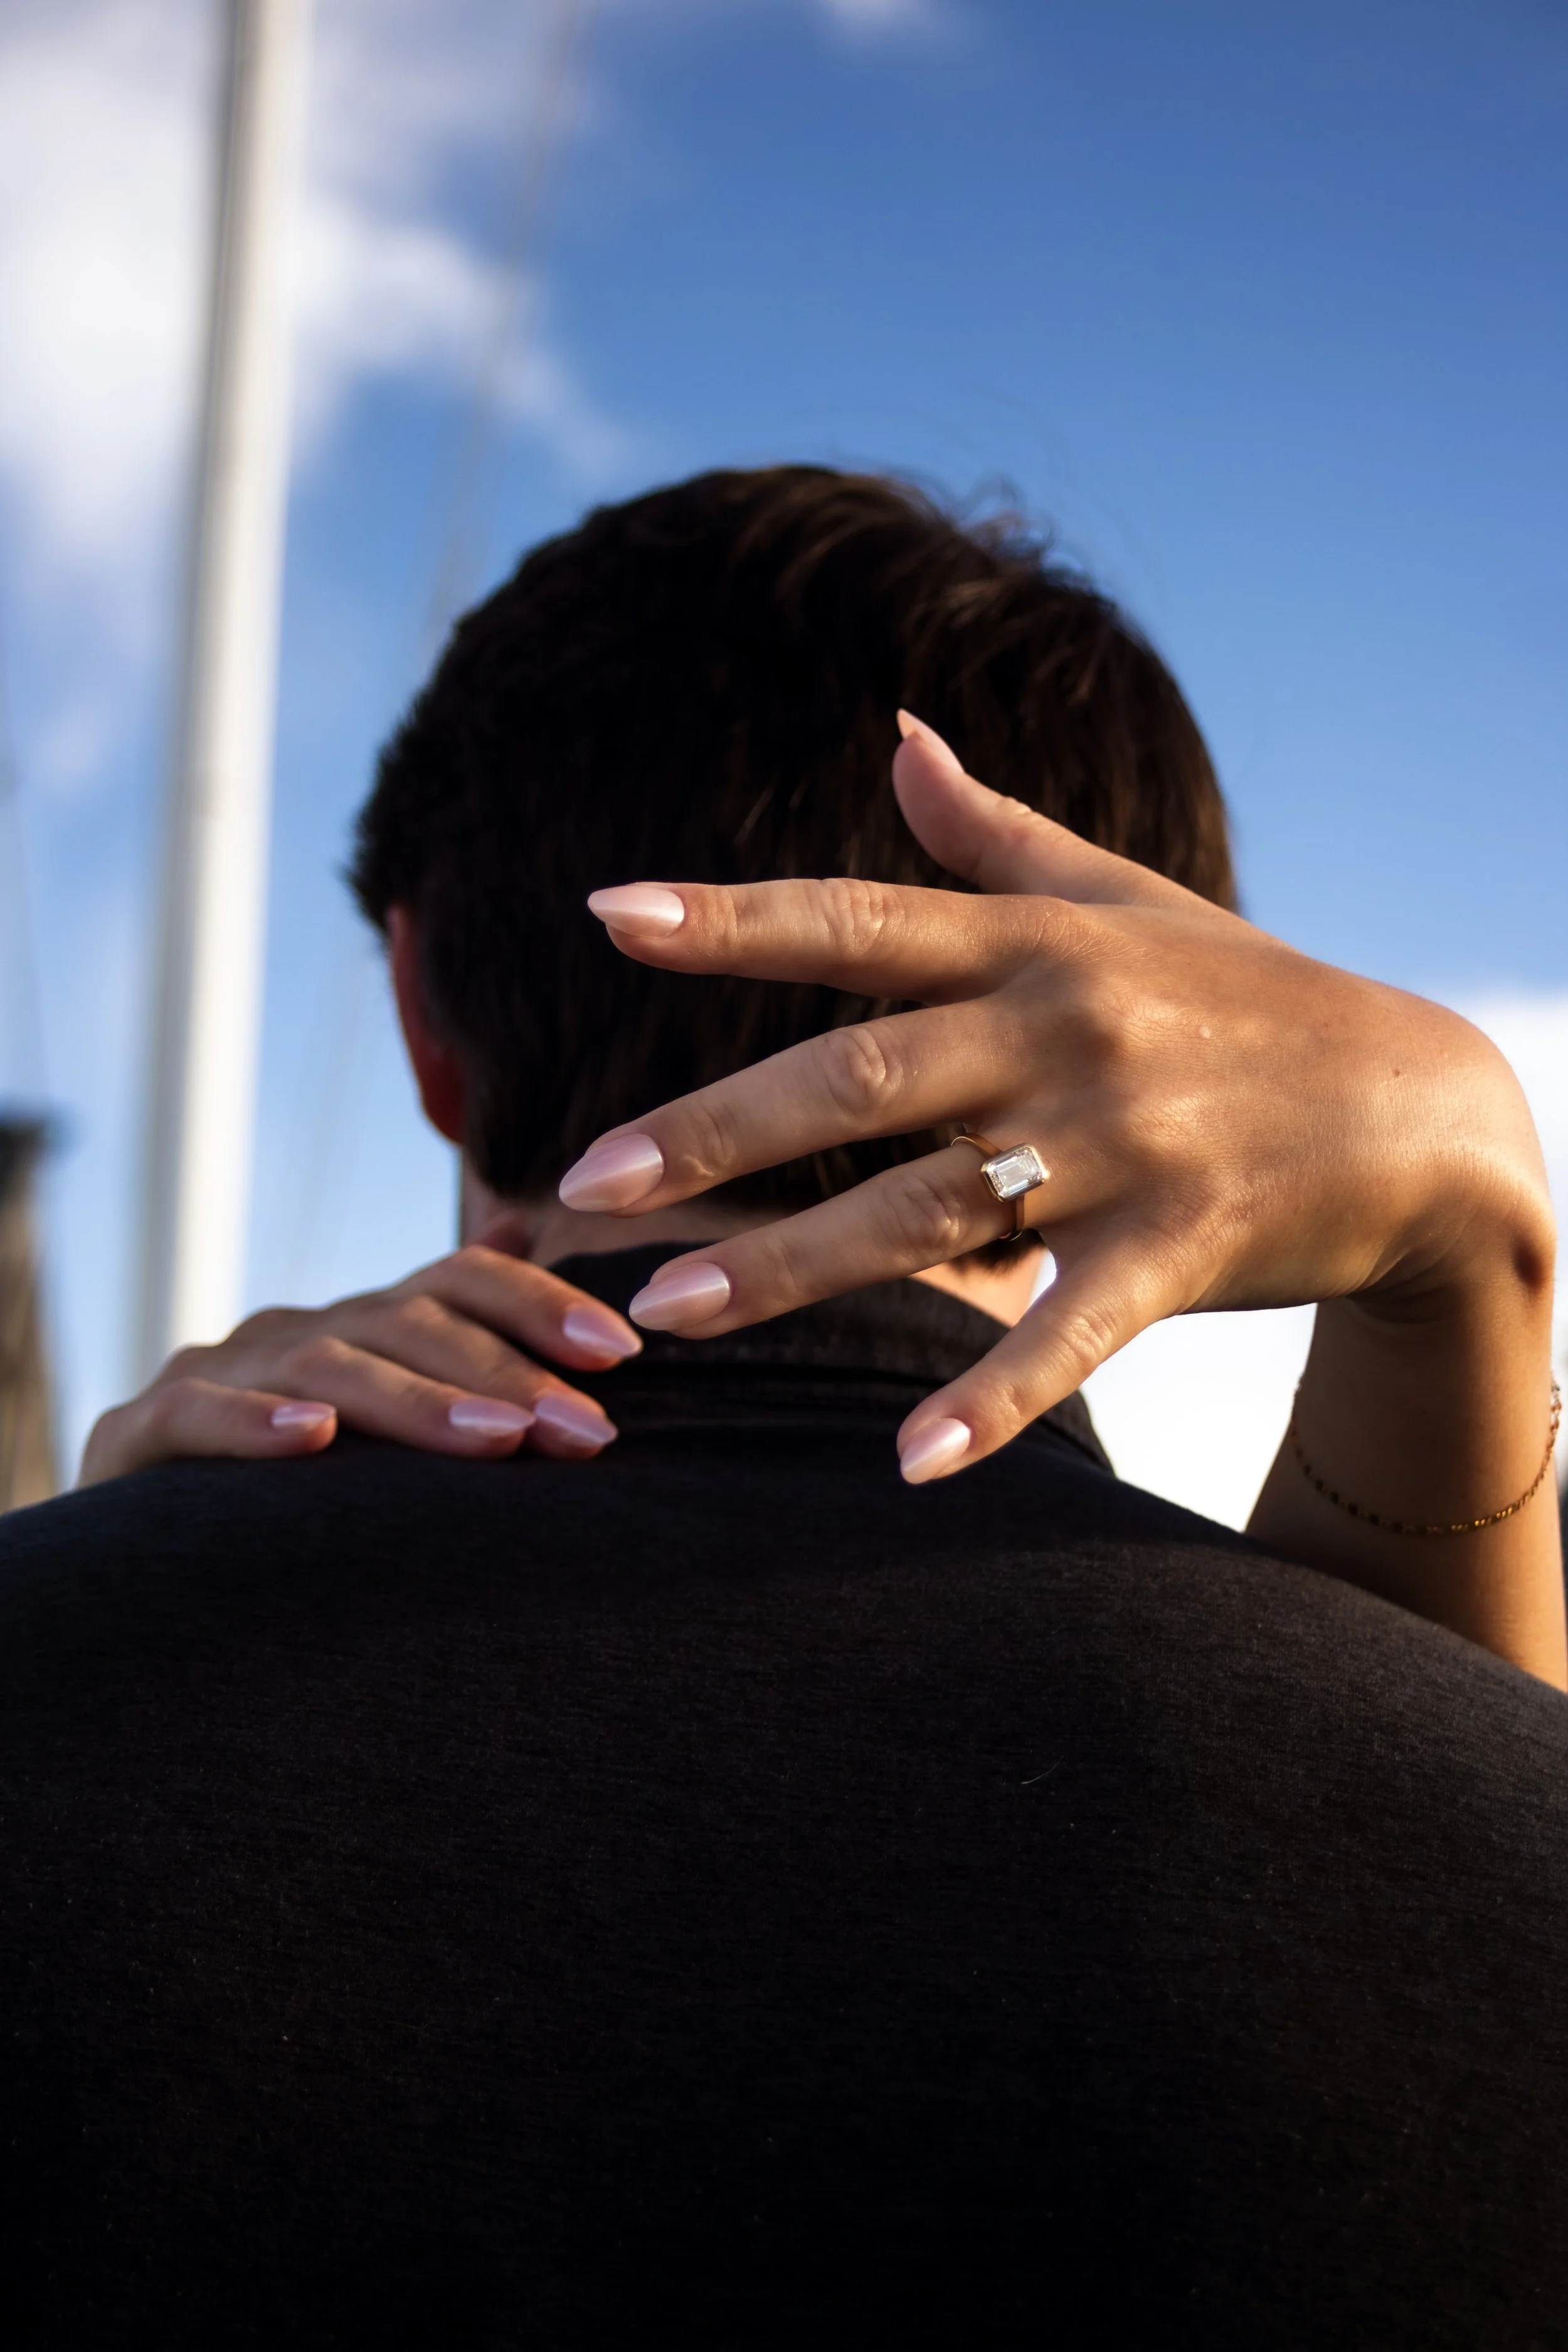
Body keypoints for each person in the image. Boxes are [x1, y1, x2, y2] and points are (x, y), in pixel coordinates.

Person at [6, 467, 1567, 2344]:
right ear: (1174, 1036)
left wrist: (94, 1578)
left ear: (423, 1005)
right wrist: (1472, 1262)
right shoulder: (1485, 1837)